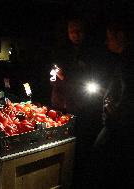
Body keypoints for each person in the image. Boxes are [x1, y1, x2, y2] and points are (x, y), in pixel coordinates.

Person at [50, 17, 103, 189]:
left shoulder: (91, 52)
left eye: (79, 31)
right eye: (72, 31)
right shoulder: (62, 50)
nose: (75, 35)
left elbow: (91, 74)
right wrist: (57, 77)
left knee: (81, 139)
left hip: (82, 101)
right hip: (63, 99)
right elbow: (54, 71)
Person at [91, 21, 134, 188]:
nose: (106, 41)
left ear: (121, 36)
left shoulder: (128, 62)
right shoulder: (123, 59)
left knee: (102, 159)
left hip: (118, 125)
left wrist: (114, 110)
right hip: (117, 121)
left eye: (109, 37)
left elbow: (129, 92)